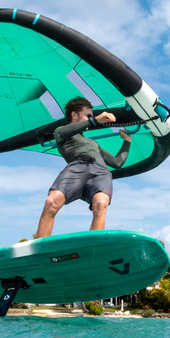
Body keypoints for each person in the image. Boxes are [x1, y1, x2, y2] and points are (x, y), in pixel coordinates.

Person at [34, 96, 131, 238]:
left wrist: (127, 141)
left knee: (101, 203)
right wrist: (95, 120)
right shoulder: (61, 132)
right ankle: (41, 246)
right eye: (88, 115)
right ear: (74, 115)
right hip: (78, 166)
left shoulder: (93, 143)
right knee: (52, 201)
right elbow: (62, 133)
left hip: (101, 172)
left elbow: (117, 163)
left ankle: (94, 246)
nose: (90, 119)